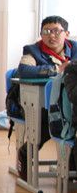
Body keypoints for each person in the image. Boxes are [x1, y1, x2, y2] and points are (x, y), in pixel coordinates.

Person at [14, 16, 76, 177]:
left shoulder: (75, 48)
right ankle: (26, 153)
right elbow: (24, 71)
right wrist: (57, 69)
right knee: (50, 121)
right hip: (39, 103)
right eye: (46, 31)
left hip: (70, 101)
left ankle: (70, 166)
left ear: (67, 33)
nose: (51, 36)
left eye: (56, 31)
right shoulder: (32, 50)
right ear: (41, 34)